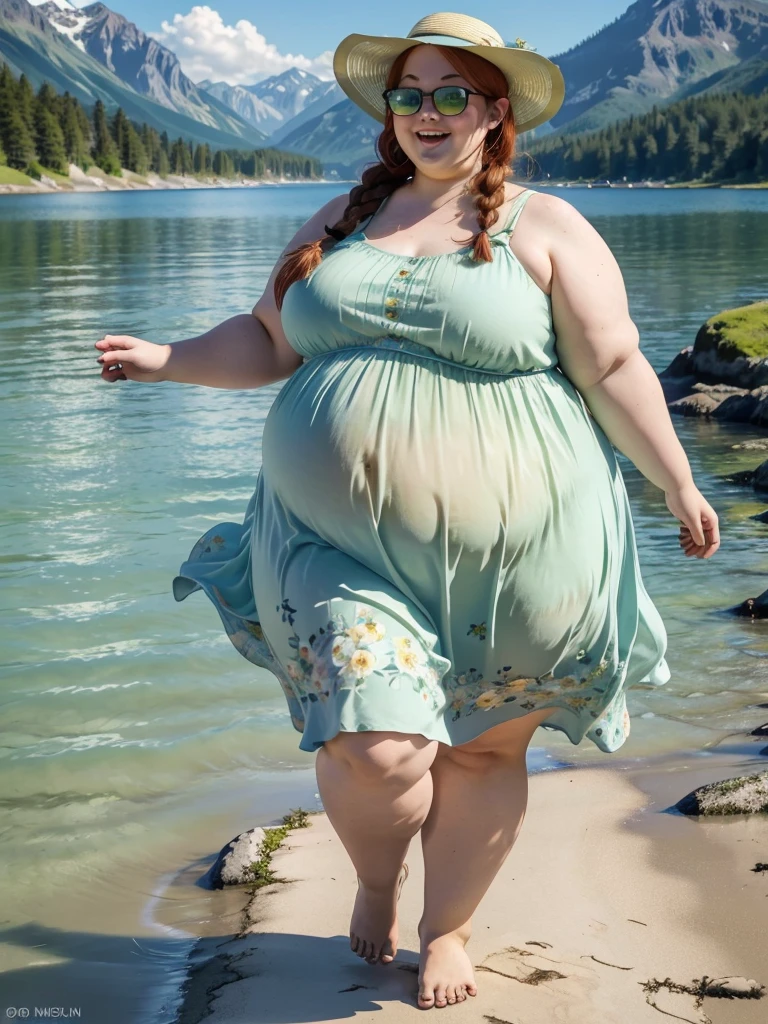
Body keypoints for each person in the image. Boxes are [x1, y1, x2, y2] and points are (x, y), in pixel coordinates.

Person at [94, 12, 720, 1011]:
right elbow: (266, 340)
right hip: (333, 544)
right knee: (375, 745)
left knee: (480, 747)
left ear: (493, 110)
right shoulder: (343, 220)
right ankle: (379, 875)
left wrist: (678, 480)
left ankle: (450, 927)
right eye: (409, 95)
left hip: (525, 554)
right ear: (390, 111)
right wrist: (168, 359)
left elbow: (611, 366)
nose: (426, 114)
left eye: (449, 95)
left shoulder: (543, 225)